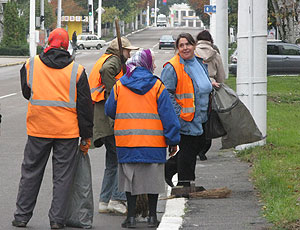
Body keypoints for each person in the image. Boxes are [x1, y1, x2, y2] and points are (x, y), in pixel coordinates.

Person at [12, 28, 93, 229]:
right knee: (63, 178)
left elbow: (26, 92)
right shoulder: (78, 70)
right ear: (67, 46)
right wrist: (86, 136)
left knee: (30, 173)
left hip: (38, 130)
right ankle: (57, 221)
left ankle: (21, 217)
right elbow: (85, 108)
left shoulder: (31, 65)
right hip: (67, 133)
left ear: (48, 42)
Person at [105, 49, 180, 228]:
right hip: (153, 144)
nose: (154, 65)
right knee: (152, 180)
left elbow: (109, 110)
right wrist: (173, 141)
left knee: (130, 181)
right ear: (146, 64)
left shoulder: (120, 85)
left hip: (127, 142)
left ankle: (131, 218)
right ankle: (152, 217)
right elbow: (168, 117)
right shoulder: (157, 86)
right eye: (152, 62)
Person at [88, 37, 139, 215]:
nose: (129, 54)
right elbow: (106, 71)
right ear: (120, 51)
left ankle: (104, 200)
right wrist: (116, 90)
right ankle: (117, 199)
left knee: (111, 162)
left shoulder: (107, 58)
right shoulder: (113, 61)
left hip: (102, 119)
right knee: (120, 160)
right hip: (108, 119)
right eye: (127, 51)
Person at [161, 33, 213, 188]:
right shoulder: (172, 67)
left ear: (194, 45)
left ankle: (172, 169)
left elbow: (200, 85)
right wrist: (179, 112)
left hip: (202, 115)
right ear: (177, 48)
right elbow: (166, 93)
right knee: (188, 150)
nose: (185, 48)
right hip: (185, 116)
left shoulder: (199, 62)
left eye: (188, 44)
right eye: (181, 45)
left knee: (198, 146)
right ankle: (185, 184)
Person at [194, 30, 226, 161]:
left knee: (196, 117)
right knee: (209, 118)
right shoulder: (215, 54)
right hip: (211, 88)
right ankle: (204, 148)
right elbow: (221, 76)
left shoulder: (193, 52)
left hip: (195, 87)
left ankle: (194, 145)